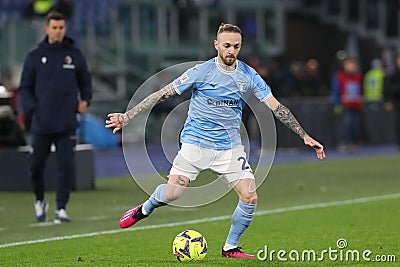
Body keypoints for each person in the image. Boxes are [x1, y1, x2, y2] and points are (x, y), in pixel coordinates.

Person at [106, 23, 325, 259]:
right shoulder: (201, 71)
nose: (231, 51)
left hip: (230, 147)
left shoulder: (249, 75)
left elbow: (276, 107)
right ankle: (144, 209)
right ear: (217, 45)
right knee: (173, 194)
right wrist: (128, 116)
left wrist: (304, 135)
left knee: (250, 196)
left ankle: (230, 248)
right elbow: (162, 94)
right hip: (195, 144)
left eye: (236, 46)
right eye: (227, 45)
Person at [19, 11, 92, 223]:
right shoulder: (34, 56)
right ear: (47, 29)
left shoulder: (74, 55)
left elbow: (85, 81)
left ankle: (61, 208)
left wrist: (85, 100)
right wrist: (33, 109)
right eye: (54, 27)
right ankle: (40, 200)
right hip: (42, 122)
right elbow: (25, 87)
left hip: (67, 121)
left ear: (64, 29)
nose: (58, 31)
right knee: (36, 165)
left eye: (61, 28)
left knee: (66, 166)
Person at [331, 57, 364, 150]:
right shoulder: (340, 76)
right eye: (349, 64)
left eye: (353, 65)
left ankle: (352, 142)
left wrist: (361, 103)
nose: (352, 67)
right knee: (347, 124)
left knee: (354, 125)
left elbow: (360, 91)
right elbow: (336, 90)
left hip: (355, 104)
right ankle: (344, 142)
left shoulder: (358, 76)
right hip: (345, 105)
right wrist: (337, 104)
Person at [384, 53, 400, 149]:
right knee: (398, 122)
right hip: (397, 101)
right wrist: (387, 101)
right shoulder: (393, 74)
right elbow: (387, 89)